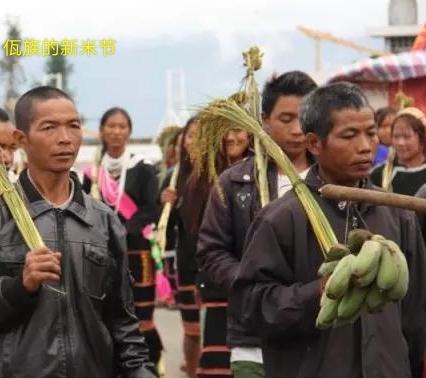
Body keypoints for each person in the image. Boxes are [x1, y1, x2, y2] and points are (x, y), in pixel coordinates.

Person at [233, 82, 426, 378]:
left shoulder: (398, 215)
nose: (365, 146)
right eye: (349, 135)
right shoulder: (281, 218)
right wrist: (320, 292)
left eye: (371, 133)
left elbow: (414, 315)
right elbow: (252, 308)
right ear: (314, 143)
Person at [0, 86, 155, 377]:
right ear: (21, 139)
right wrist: (20, 287)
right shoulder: (5, 214)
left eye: (73, 126)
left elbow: (123, 323)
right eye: (49, 127)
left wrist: (140, 372)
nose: (65, 138)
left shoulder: (103, 221)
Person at [197, 71, 318, 378]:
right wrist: (253, 286)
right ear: (264, 120)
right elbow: (212, 252)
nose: (296, 129)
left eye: (304, 118)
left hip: (321, 332)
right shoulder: (235, 182)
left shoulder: (334, 183)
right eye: (286, 118)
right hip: (255, 336)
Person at [82, 107, 163, 371]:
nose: (116, 132)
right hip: (102, 254)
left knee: (142, 318)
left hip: (136, 253)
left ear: (129, 131)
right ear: (102, 130)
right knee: (107, 315)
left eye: (122, 126)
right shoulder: (92, 173)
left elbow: (152, 207)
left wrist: (121, 231)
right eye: (111, 126)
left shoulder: (142, 168)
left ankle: (149, 367)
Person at [371, 107, 426, 196]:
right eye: (396, 136)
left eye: (406, 136)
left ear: (422, 138)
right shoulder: (378, 174)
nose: (400, 143)